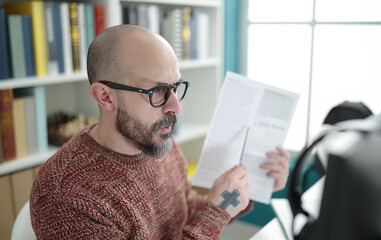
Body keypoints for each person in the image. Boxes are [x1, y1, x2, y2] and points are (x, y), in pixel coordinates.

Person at [30, 25, 291, 239]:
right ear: (106, 97)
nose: (175, 106)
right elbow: (207, 219)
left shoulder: (155, 138)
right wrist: (215, 212)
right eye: (157, 91)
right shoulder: (67, 197)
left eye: (175, 86)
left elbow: (186, 212)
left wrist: (253, 184)